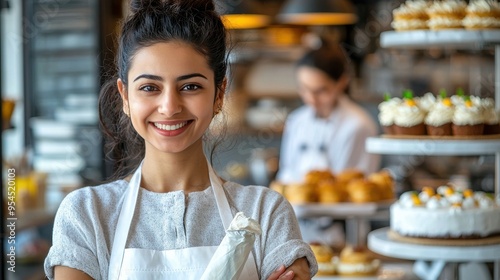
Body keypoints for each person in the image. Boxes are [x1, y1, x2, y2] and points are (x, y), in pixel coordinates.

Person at [43, 0, 317, 279]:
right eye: (149, 87)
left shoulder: (265, 213)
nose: (169, 106)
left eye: (190, 86)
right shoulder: (87, 215)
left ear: (219, 94)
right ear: (125, 96)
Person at [276, 40, 380, 184]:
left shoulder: (359, 125)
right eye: (304, 89)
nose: (311, 98)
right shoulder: (296, 120)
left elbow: (357, 183)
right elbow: (286, 172)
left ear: (342, 82)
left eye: (320, 91)